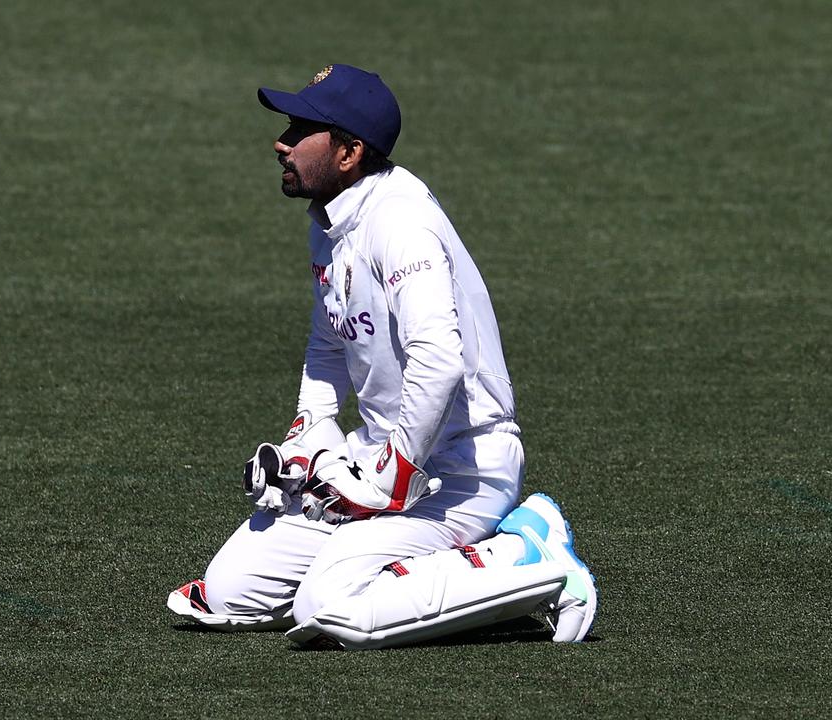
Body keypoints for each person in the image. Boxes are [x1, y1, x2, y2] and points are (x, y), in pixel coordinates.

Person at [166, 64, 597, 650]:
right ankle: (428, 569)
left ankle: (529, 551)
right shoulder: (331, 217)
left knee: (332, 606)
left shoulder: (400, 222)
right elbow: (328, 342)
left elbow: (438, 359)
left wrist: (394, 474)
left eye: (301, 129)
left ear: (348, 153)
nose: (282, 141)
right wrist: (307, 437)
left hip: (459, 473)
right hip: (376, 466)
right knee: (229, 591)